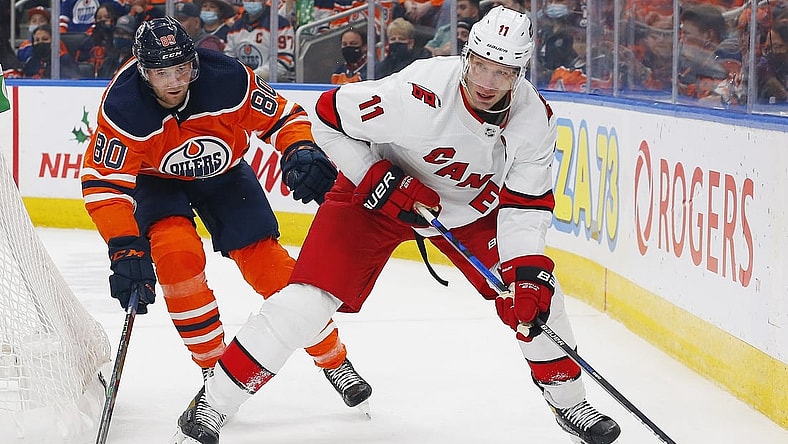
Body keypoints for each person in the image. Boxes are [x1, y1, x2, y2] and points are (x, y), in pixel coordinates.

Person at [173, 6, 621, 444]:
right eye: (481, 65)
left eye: (501, 73)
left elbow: (524, 206)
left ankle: (570, 401)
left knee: (539, 294)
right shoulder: (416, 92)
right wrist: (375, 176)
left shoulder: (534, 122)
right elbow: (326, 117)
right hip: (377, 194)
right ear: (467, 55)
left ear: (519, 74)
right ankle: (216, 400)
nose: (487, 82)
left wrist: (524, 269)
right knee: (306, 300)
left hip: (467, 210)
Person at [79, 16, 372, 417]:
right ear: (144, 71)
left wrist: (299, 149)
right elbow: (104, 185)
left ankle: (335, 361)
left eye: (182, 68)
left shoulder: (227, 77)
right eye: (162, 73)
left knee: (271, 267)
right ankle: (216, 377)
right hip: (156, 183)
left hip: (224, 171)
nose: (174, 82)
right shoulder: (123, 107)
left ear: (194, 62)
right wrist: (124, 245)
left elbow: (284, 117)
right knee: (176, 260)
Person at [224, 0, 295, 80]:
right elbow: (229, 58)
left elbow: (283, 63)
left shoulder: (280, 24)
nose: (251, 1)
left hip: (275, 85)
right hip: (242, 82)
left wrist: (252, 76)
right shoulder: (236, 26)